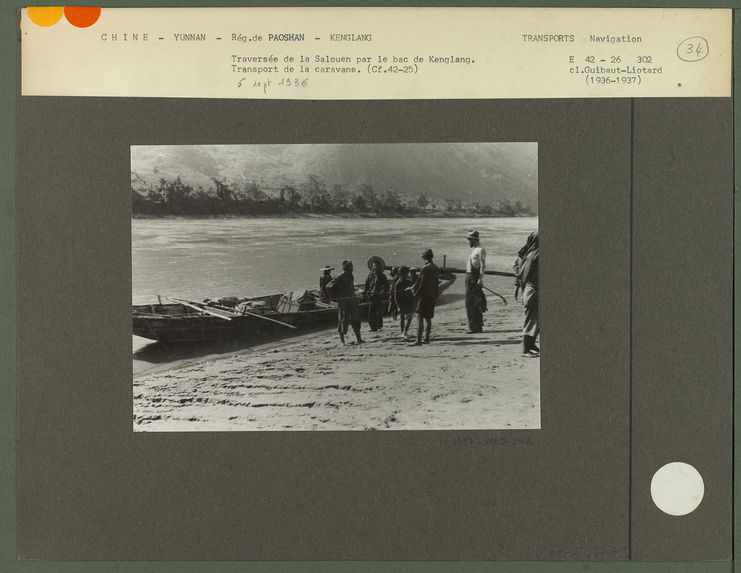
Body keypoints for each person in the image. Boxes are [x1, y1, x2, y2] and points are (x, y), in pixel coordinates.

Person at [326, 260, 363, 346]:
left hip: (352, 300)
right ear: (347, 268)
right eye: (351, 267)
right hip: (343, 302)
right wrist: (335, 298)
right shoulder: (340, 276)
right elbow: (328, 286)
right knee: (343, 320)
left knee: (356, 319)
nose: (352, 268)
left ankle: (359, 339)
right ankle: (342, 341)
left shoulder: (351, 275)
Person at [409, 248, 440, 345]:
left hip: (424, 297)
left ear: (424, 258)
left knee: (419, 317)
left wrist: (414, 293)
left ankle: (418, 340)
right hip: (432, 296)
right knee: (428, 318)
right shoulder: (435, 268)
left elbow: (420, 283)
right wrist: (436, 294)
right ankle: (426, 338)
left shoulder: (425, 268)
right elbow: (436, 283)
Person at [517, 231, 539, 357]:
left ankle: (531, 345)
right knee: (531, 320)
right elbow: (524, 276)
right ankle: (526, 349)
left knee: (535, 320)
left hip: (532, 290)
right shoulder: (534, 255)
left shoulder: (529, 254)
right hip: (533, 291)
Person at [465, 230, 488, 333]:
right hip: (469, 277)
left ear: (474, 240)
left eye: (469, 240)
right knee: (469, 303)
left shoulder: (480, 250)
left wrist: (480, 279)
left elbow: (483, 266)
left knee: (474, 303)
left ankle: (476, 327)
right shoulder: (474, 249)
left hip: (474, 277)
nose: (468, 242)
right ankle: (474, 326)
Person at [363, 257, 389, 331]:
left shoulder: (382, 276)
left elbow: (386, 286)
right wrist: (365, 293)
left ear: (379, 266)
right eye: (374, 265)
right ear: (372, 267)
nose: (375, 267)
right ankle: (373, 327)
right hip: (372, 295)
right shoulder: (370, 275)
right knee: (371, 311)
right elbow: (367, 284)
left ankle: (379, 326)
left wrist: (382, 291)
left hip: (379, 296)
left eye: (376, 265)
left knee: (379, 312)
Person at [392, 265, 414, 340]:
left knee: (403, 318)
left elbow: (395, 296)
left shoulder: (398, 283)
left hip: (403, 303)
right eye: (407, 273)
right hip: (405, 303)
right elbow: (396, 296)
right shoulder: (403, 283)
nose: (407, 274)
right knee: (408, 318)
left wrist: (398, 305)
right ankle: (404, 332)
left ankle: (403, 332)